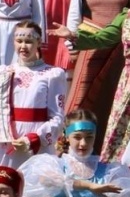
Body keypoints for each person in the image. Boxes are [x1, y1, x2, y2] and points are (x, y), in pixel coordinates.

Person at [64, 0, 130, 147]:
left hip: (120, 52)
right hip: (90, 48)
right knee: (82, 97)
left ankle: (106, 147)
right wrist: (72, 43)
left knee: (113, 99)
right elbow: (74, 16)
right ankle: (71, 146)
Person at [54, 10, 130, 163]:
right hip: (128, 84)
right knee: (122, 132)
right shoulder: (126, 16)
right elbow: (102, 39)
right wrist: (72, 36)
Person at [0, 20, 65, 169]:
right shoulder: (4, 72)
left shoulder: (52, 74)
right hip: (9, 142)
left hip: (37, 145)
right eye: (19, 41)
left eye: (29, 42)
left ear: (38, 43)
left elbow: (58, 117)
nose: (23, 46)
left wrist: (34, 139)